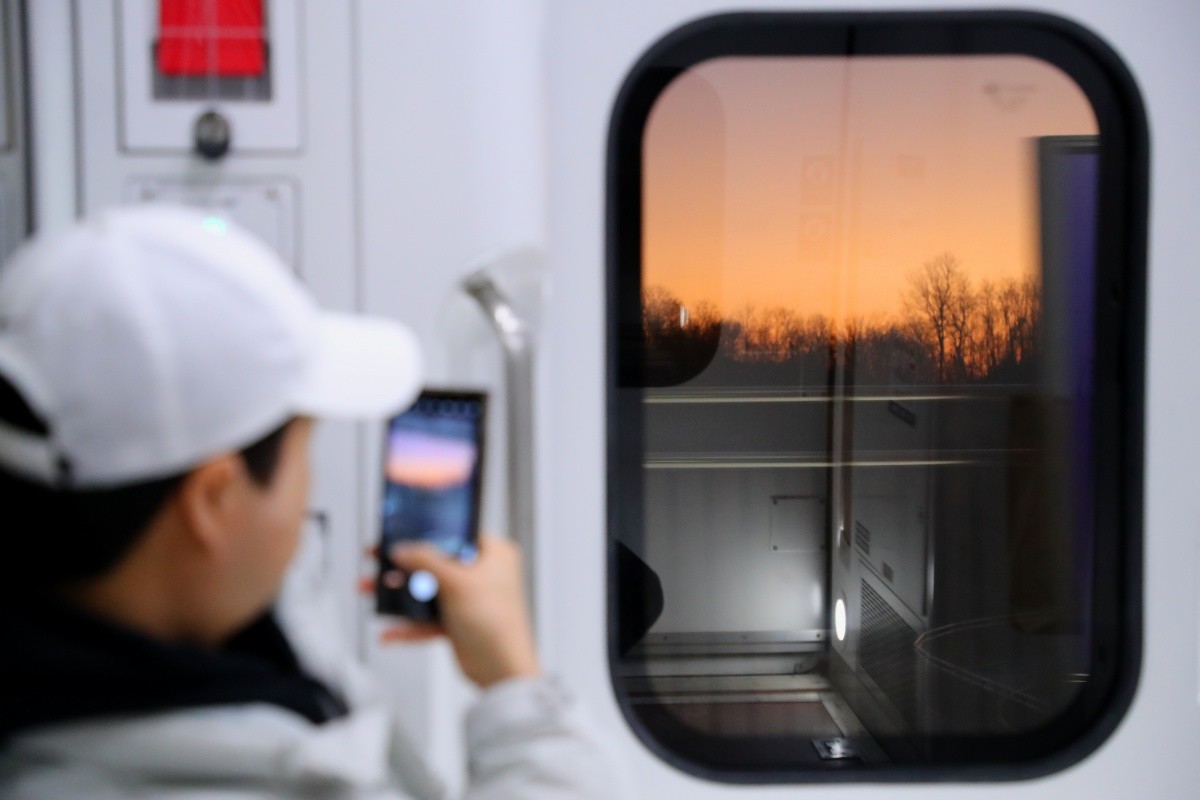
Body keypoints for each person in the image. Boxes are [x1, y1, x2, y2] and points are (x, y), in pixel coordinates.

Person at [0, 206, 622, 798]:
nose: (307, 493)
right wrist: (517, 688)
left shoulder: (159, 627)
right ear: (214, 502)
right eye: (305, 450)